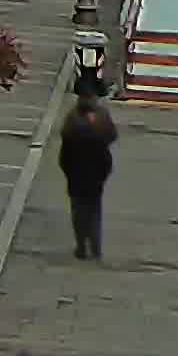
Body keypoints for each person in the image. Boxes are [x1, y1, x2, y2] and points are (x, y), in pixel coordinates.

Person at [59, 99, 117, 261]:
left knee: (78, 210)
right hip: (96, 172)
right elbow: (112, 136)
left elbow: (65, 152)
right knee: (94, 208)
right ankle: (95, 246)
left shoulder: (72, 121)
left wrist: (67, 171)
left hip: (76, 172)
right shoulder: (101, 119)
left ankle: (82, 245)